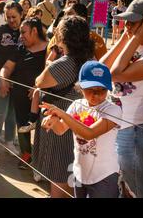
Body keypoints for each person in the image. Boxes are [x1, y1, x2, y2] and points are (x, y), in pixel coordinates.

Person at [33, 15, 94, 198]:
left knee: (59, 180)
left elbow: (40, 81)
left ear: (63, 36)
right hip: (79, 123)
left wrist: (50, 64)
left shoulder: (65, 63)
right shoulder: (89, 60)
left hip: (60, 126)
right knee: (70, 178)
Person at [41, 61, 122, 198]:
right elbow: (61, 129)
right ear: (81, 87)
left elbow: (89, 133)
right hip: (80, 173)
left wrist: (62, 114)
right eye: (91, 89)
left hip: (104, 176)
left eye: (101, 90)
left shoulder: (113, 110)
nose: (95, 95)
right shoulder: (77, 105)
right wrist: (53, 121)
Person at [100, 0, 143, 198]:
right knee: (125, 187)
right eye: (125, 21)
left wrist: (136, 38)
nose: (127, 26)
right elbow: (101, 70)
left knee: (138, 189)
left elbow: (114, 74)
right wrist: (126, 37)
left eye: (133, 22)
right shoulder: (132, 44)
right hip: (120, 126)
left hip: (137, 131)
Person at [0, 18, 48, 168]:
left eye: (23, 32)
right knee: (21, 126)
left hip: (42, 98)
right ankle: (26, 155)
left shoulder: (49, 49)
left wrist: (37, 87)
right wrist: (3, 79)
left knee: (43, 129)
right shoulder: (20, 48)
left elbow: (50, 72)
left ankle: (43, 161)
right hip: (19, 97)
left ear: (34, 31)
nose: (21, 36)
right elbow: (6, 68)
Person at [0, 2, 23, 157]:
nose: (11, 20)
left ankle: (8, 141)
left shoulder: (26, 30)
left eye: (14, 16)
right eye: (8, 17)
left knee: (12, 112)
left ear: (22, 14)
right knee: (0, 111)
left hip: (19, 79)